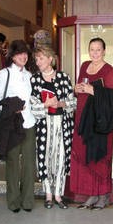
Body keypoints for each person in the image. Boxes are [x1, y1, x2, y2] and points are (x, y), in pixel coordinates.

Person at [70, 37, 113, 210]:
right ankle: (91, 194)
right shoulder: (84, 66)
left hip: (99, 122)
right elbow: (79, 88)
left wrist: (93, 90)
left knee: (99, 158)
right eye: (92, 49)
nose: (95, 53)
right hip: (82, 119)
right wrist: (76, 89)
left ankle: (103, 195)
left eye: (98, 49)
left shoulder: (108, 70)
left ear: (104, 51)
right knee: (84, 156)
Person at [30, 45, 77, 209]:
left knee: (61, 159)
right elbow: (33, 107)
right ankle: (48, 195)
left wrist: (61, 103)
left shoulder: (64, 77)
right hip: (44, 124)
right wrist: (45, 104)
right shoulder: (34, 79)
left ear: (50, 59)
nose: (38, 62)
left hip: (62, 125)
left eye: (41, 58)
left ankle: (58, 194)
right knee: (45, 158)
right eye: (36, 59)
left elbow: (73, 102)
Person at [0, 40, 36, 213]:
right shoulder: (5, 74)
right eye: (19, 54)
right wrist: (12, 107)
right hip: (12, 123)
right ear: (12, 56)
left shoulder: (30, 75)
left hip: (29, 122)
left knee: (29, 163)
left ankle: (27, 201)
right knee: (12, 163)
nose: (23, 57)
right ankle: (13, 201)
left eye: (25, 53)